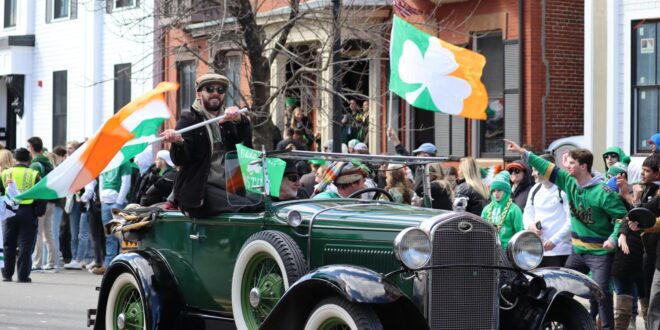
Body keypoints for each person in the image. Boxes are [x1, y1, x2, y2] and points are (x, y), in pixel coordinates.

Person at [504, 139, 627, 330]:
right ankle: (554, 322)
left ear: (583, 166)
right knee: (560, 289)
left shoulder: (603, 193)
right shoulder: (569, 181)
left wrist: (613, 238)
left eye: (571, 163)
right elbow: (546, 167)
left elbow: (622, 217)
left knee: (601, 293)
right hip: (577, 252)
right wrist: (523, 152)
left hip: (599, 254)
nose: (567, 166)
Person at [160, 73, 252, 217]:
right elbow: (179, 159)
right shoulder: (189, 119)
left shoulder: (229, 119)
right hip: (201, 191)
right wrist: (178, 142)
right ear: (199, 93)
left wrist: (239, 120)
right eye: (209, 89)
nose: (215, 93)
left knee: (260, 206)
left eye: (220, 90)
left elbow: (245, 142)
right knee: (245, 207)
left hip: (231, 188)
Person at [523, 154, 571, 267]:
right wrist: (530, 226)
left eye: (535, 170)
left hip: (561, 251)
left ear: (546, 170)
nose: (532, 174)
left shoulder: (562, 190)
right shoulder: (535, 189)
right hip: (538, 251)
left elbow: (571, 221)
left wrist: (554, 241)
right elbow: (527, 213)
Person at [1, 148, 41, 282]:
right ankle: (23, 275)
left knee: (8, 244)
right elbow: (40, 195)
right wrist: (39, 211)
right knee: (26, 244)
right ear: (28, 159)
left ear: (14, 159)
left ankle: (7, 274)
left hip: (9, 210)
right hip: (27, 211)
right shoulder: (34, 173)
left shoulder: (5, 173)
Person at [27, 137, 57, 272]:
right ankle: (51, 263)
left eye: (28, 147)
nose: (28, 149)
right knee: (48, 233)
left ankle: (37, 263)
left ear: (32, 147)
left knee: (38, 233)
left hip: (40, 202)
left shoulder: (35, 164)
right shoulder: (47, 162)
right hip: (50, 201)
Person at [481, 171, 523, 250]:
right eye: (494, 191)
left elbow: (519, 233)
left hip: (508, 252)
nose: (496, 193)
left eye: (499, 190)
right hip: (488, 251)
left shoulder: (514, 210)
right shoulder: (486, 209)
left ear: (506, 191)